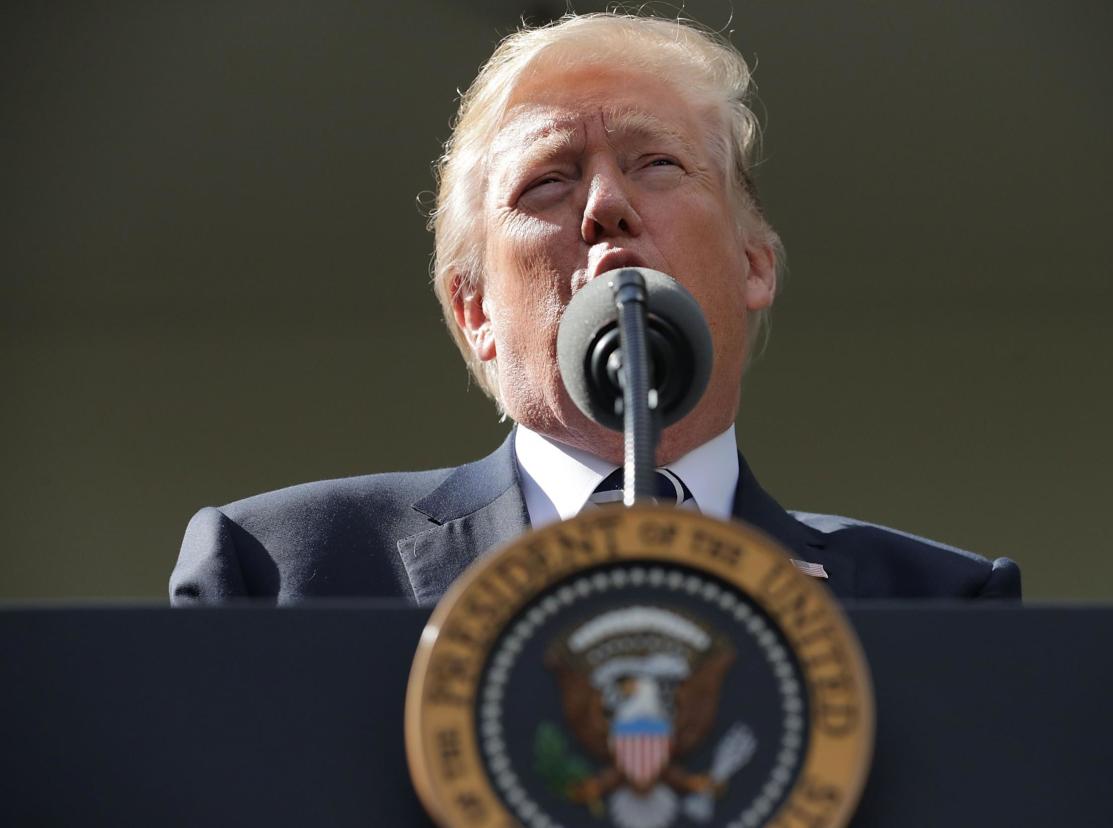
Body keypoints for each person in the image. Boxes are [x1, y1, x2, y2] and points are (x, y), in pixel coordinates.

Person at [170, 12, 1020, 605]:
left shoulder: (938, 606)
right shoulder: (281, 575)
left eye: (657, 163)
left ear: (754, 263)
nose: (605, 206)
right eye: (549, 179)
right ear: (473, 312)